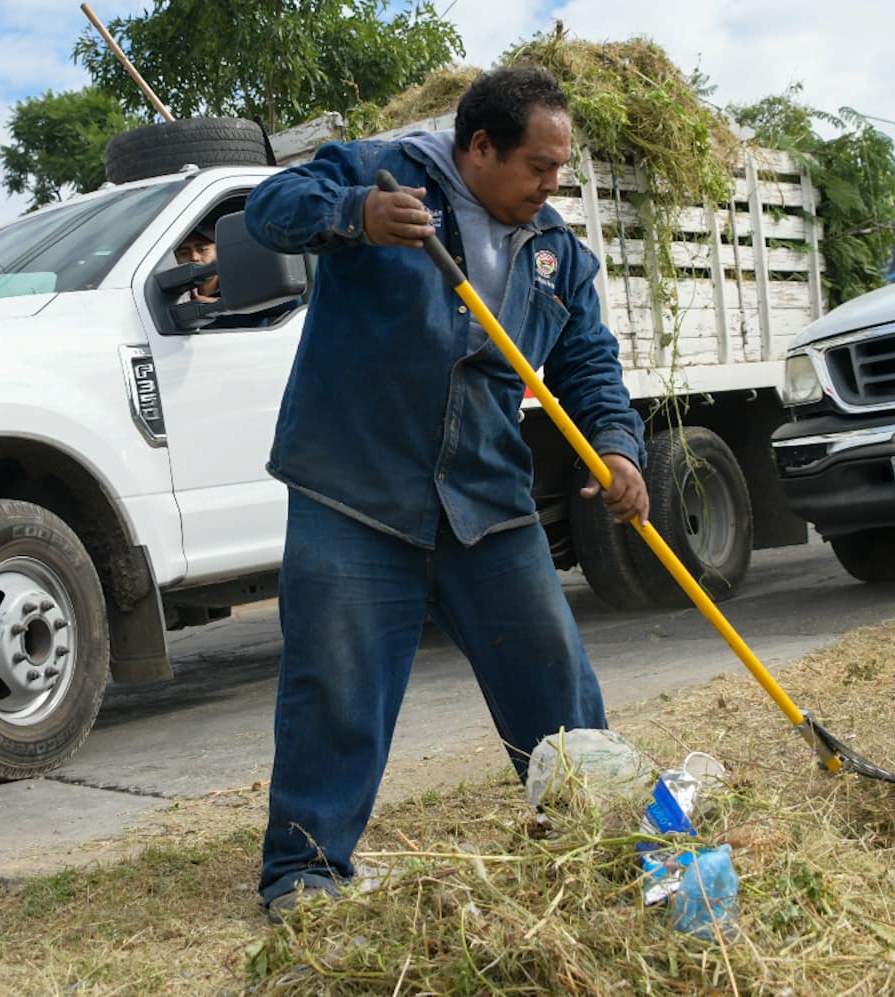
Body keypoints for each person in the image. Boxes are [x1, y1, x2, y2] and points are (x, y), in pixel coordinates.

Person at [244, 62, 649, 916]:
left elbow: (588, 366)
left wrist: (616, 447)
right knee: (338, 681)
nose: (552, 185)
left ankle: (595, 836)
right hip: (354, 484)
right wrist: (353, 217)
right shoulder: (380, 172)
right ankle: (306, 872)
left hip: (484, 492)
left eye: (559, 168)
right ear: (478, 147)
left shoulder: (557, 253)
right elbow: (266, 212)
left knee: (553, 674)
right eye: (538, 167)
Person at [172, 222, 221, 304]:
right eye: (184, 253)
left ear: (219, 250)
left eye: (202, 249)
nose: (194, 258)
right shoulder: (172, 298)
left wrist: (215, 304)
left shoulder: (240, 285)